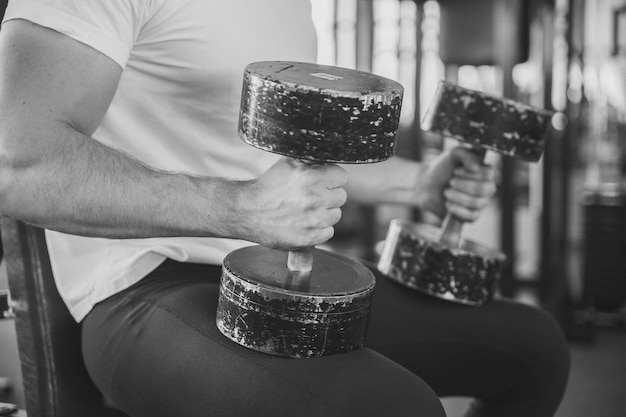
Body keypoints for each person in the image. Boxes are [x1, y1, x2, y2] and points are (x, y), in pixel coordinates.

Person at [0, 1, 570, 416]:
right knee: (392, 408)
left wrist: (422, 183)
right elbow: (19, 165)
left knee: (532, 349)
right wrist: (243, 210)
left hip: (278, 275)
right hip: (141, 288)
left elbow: (289, 163)